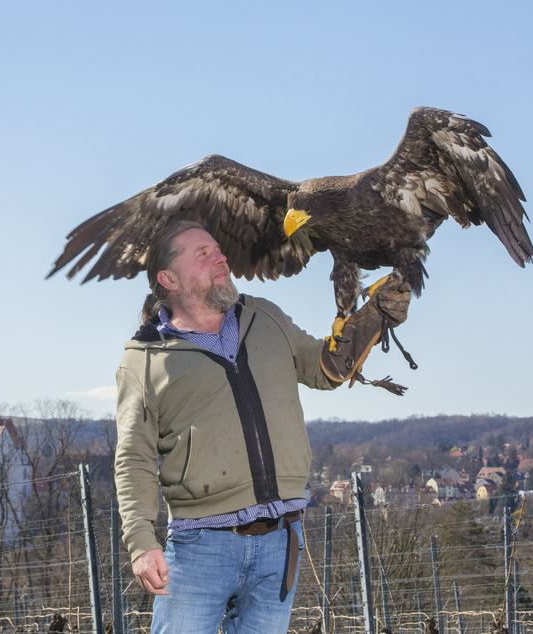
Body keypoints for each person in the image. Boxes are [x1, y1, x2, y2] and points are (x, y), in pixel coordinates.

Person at [113, 220, 410, 633]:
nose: (222, 258)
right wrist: (142, 543)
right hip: (201, 548)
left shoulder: (264, 317)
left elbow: (327, 367)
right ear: (169, 279)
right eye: (204, 254)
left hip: (280, 542)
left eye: (219, 250)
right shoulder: (144, 359)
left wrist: (373, 318)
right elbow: (134, 458)